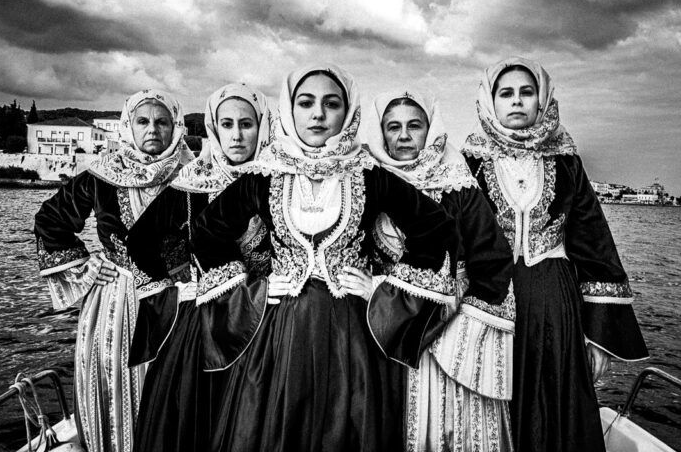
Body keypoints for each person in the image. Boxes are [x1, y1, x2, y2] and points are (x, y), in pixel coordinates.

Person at [192, 64, 457, 452]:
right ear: (290, 110)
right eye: (306, 102)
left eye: (331, 104)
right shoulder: (265, 174)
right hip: (280, 333)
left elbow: (437, 228)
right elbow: (206, 234)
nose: (318, 114)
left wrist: (383, 288)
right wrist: (254, 288)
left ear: (347, 113)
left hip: (351, 333)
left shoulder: (370, 174)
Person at [461, 57, 649, 452]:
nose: (516, 102)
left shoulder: (566, 162)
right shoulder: (469, 165)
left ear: (542, 100)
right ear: (489, 101)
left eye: (526, 93)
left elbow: (594, 245)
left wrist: (597, 337)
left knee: (557, 406)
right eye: (506, 93)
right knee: (493, 404)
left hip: (555, 308)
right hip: (488, 307)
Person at [34, 89, 194, 452]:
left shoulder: (194, 176)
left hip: (178, 299)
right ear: (128, 127)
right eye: (143, 121)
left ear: (176, 127)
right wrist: (89, 263)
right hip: (117, 301)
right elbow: (50, 220)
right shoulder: (102, 176)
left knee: (174, 387)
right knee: (113, 384)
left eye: (162, 121)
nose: (152, 129)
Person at [364, 89, 515, 451]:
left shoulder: (457, 185)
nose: (403, 136)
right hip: (381, 331)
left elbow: (492, 261)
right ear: (379, 132)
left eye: (414, 126)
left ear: (430, 130)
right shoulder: (366, 181)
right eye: (393, 127)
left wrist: (452, 328)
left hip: (448, 335)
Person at [132, 82, 272, 452]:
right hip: (203, 323)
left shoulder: (278, 179)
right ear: (213, 129)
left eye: (247, 124)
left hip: (267, 321)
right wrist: (182, 272)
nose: (237, 135)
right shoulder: (192, 184)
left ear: (264, 127)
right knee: (194, 419)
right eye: (227, 125)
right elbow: (142, 241)